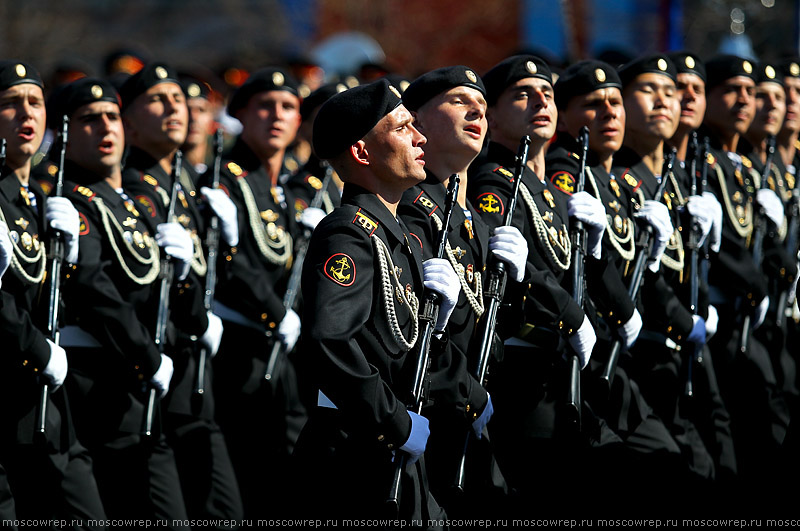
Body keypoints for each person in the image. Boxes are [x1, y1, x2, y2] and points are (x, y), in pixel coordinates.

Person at [292, 78, 451, 526]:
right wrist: (395, 423)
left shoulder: (397, 233)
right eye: (403, 129)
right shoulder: (349, 233)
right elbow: (329, 340)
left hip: (390, 444)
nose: (420, 138)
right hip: (356, 452)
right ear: (362, 152)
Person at [398, 65, 529, 515]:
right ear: (414, 122)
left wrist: (521, 280)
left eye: (483, 107)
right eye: (458, 101)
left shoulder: (475, 218)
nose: (477, 110)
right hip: (429, 411)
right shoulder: (409, 207)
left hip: (475, 408)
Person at [119, 63, 243, 524]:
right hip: (155, 372)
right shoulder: (132, 188)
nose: (175, 107)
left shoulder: (185, 184)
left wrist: (228, 243)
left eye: (178, 99)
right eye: (157, 99)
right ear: (126, 121)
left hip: (195, 378)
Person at [0, 60, 106, 526]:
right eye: (9, 103)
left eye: (35, 102)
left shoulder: (39, 198)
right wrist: (38, 348)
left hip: (44, 399)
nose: (26, 112)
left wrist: (72, 250)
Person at [202, 66, 307, 517]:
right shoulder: (224, 178)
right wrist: (274, 311)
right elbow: (231, 264)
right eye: (264, 106)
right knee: (246, 481)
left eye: (288, 108)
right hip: (240, 349)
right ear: (241, 112)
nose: (276, 117)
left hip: (283, 352)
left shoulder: (286, 187)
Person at [699, 55, 791, 499]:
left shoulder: (747, 168)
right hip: (721, 318)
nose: (744, 100)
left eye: (748, 92)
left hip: (754, 319)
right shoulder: (705, 162)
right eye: (731, 90)